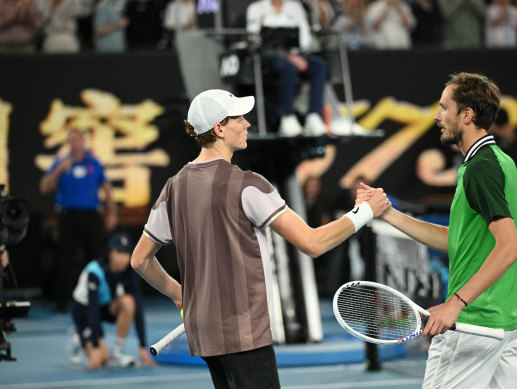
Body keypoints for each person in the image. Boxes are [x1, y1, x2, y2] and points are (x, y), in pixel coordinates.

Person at [130, 89, 389, 388]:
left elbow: (140, 260)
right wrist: (365, 212)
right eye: (239, 117)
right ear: (219, 128)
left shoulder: (173, 188)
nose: (247, 124)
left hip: (204, 334)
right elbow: (313, 243)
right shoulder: (247, 184)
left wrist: (179, 294)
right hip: (244, 333)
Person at [359, 73, 517, 388]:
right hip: (508, 324)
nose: (436, 116)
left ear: (467, 114)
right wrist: (388, 214)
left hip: (473, 327)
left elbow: (509, 248)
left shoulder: (480, 169)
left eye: (444, 108)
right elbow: (458, 242)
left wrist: (455, 304)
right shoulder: (499, 161)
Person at [40, 129, 117, 312]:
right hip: (68, 216)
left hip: (91, 216)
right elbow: (44, 187)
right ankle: (61, 302)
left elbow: (106, 188)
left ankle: (100, 300)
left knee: (95, 258)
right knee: (64, 258)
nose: (75, 143)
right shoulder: (60, 162)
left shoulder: (94, 163)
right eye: (71, 140)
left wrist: (112, 212)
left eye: (78, 140)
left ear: (83, 142)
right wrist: (60, 168)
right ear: (68, 143)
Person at [69, 233, 157, 369]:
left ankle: (118, 351)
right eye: (119, 252)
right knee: (102, 358)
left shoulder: (130, 271)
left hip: (105, 306)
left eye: (127, 253)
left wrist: (142, 346)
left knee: (128, 302)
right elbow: (92, 309)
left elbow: (138, 306)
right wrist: (96, 347)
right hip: (84, 311)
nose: (123, 258)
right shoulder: (94, 272)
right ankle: (79, 338)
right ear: (110, 253)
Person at [246, 0, 329, 137]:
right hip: (268, 55)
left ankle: (314, 115)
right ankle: (287, 116)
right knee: (288, 67)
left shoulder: (294, 7)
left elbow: (304, 37)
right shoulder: (256, 8)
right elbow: (254, 38)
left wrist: (294, 53)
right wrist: (286, 54)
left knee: (319, 66)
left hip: (296, 54)